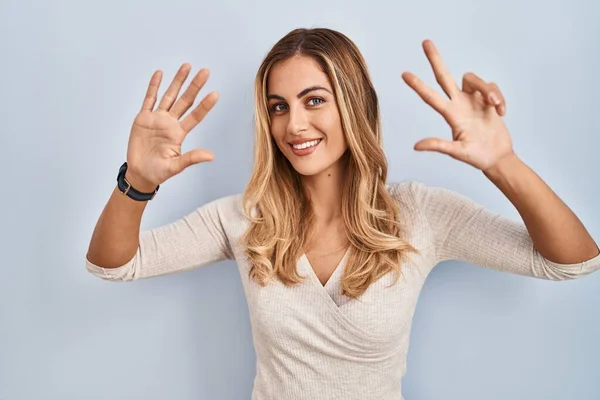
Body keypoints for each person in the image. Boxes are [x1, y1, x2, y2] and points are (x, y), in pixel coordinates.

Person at [85, 28, 600, 400]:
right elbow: (115, 263)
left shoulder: (420, 213)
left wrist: (503, 164)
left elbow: (572, 260)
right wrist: (139, 182)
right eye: (279, 106)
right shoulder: (244, 219)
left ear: (353, 105)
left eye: (314, 100)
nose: (294, 124)